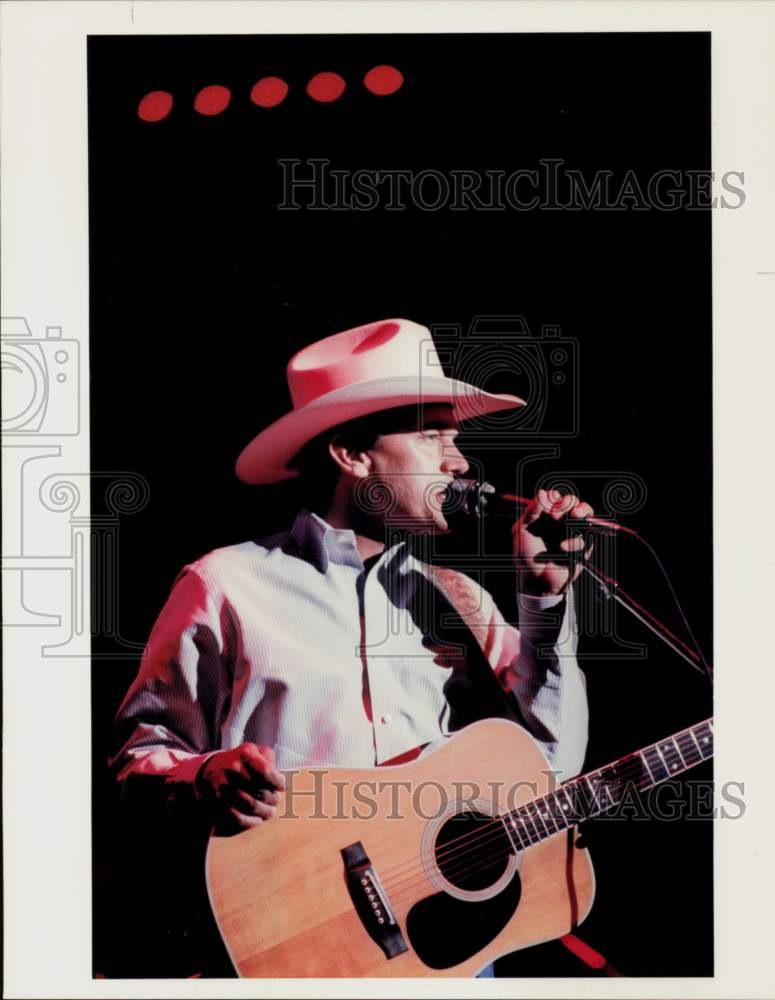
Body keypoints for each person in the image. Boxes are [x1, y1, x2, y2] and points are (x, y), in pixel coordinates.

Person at [110, 317, 596, 971]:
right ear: (351, 454)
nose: (458, 462)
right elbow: (136, 763)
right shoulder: (224, 585)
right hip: (287, 944)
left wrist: (543, 599)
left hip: (436, 950)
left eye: (454, 440)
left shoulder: (453, 598)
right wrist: (201, 776)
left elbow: (548, 772)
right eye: (431, 436)